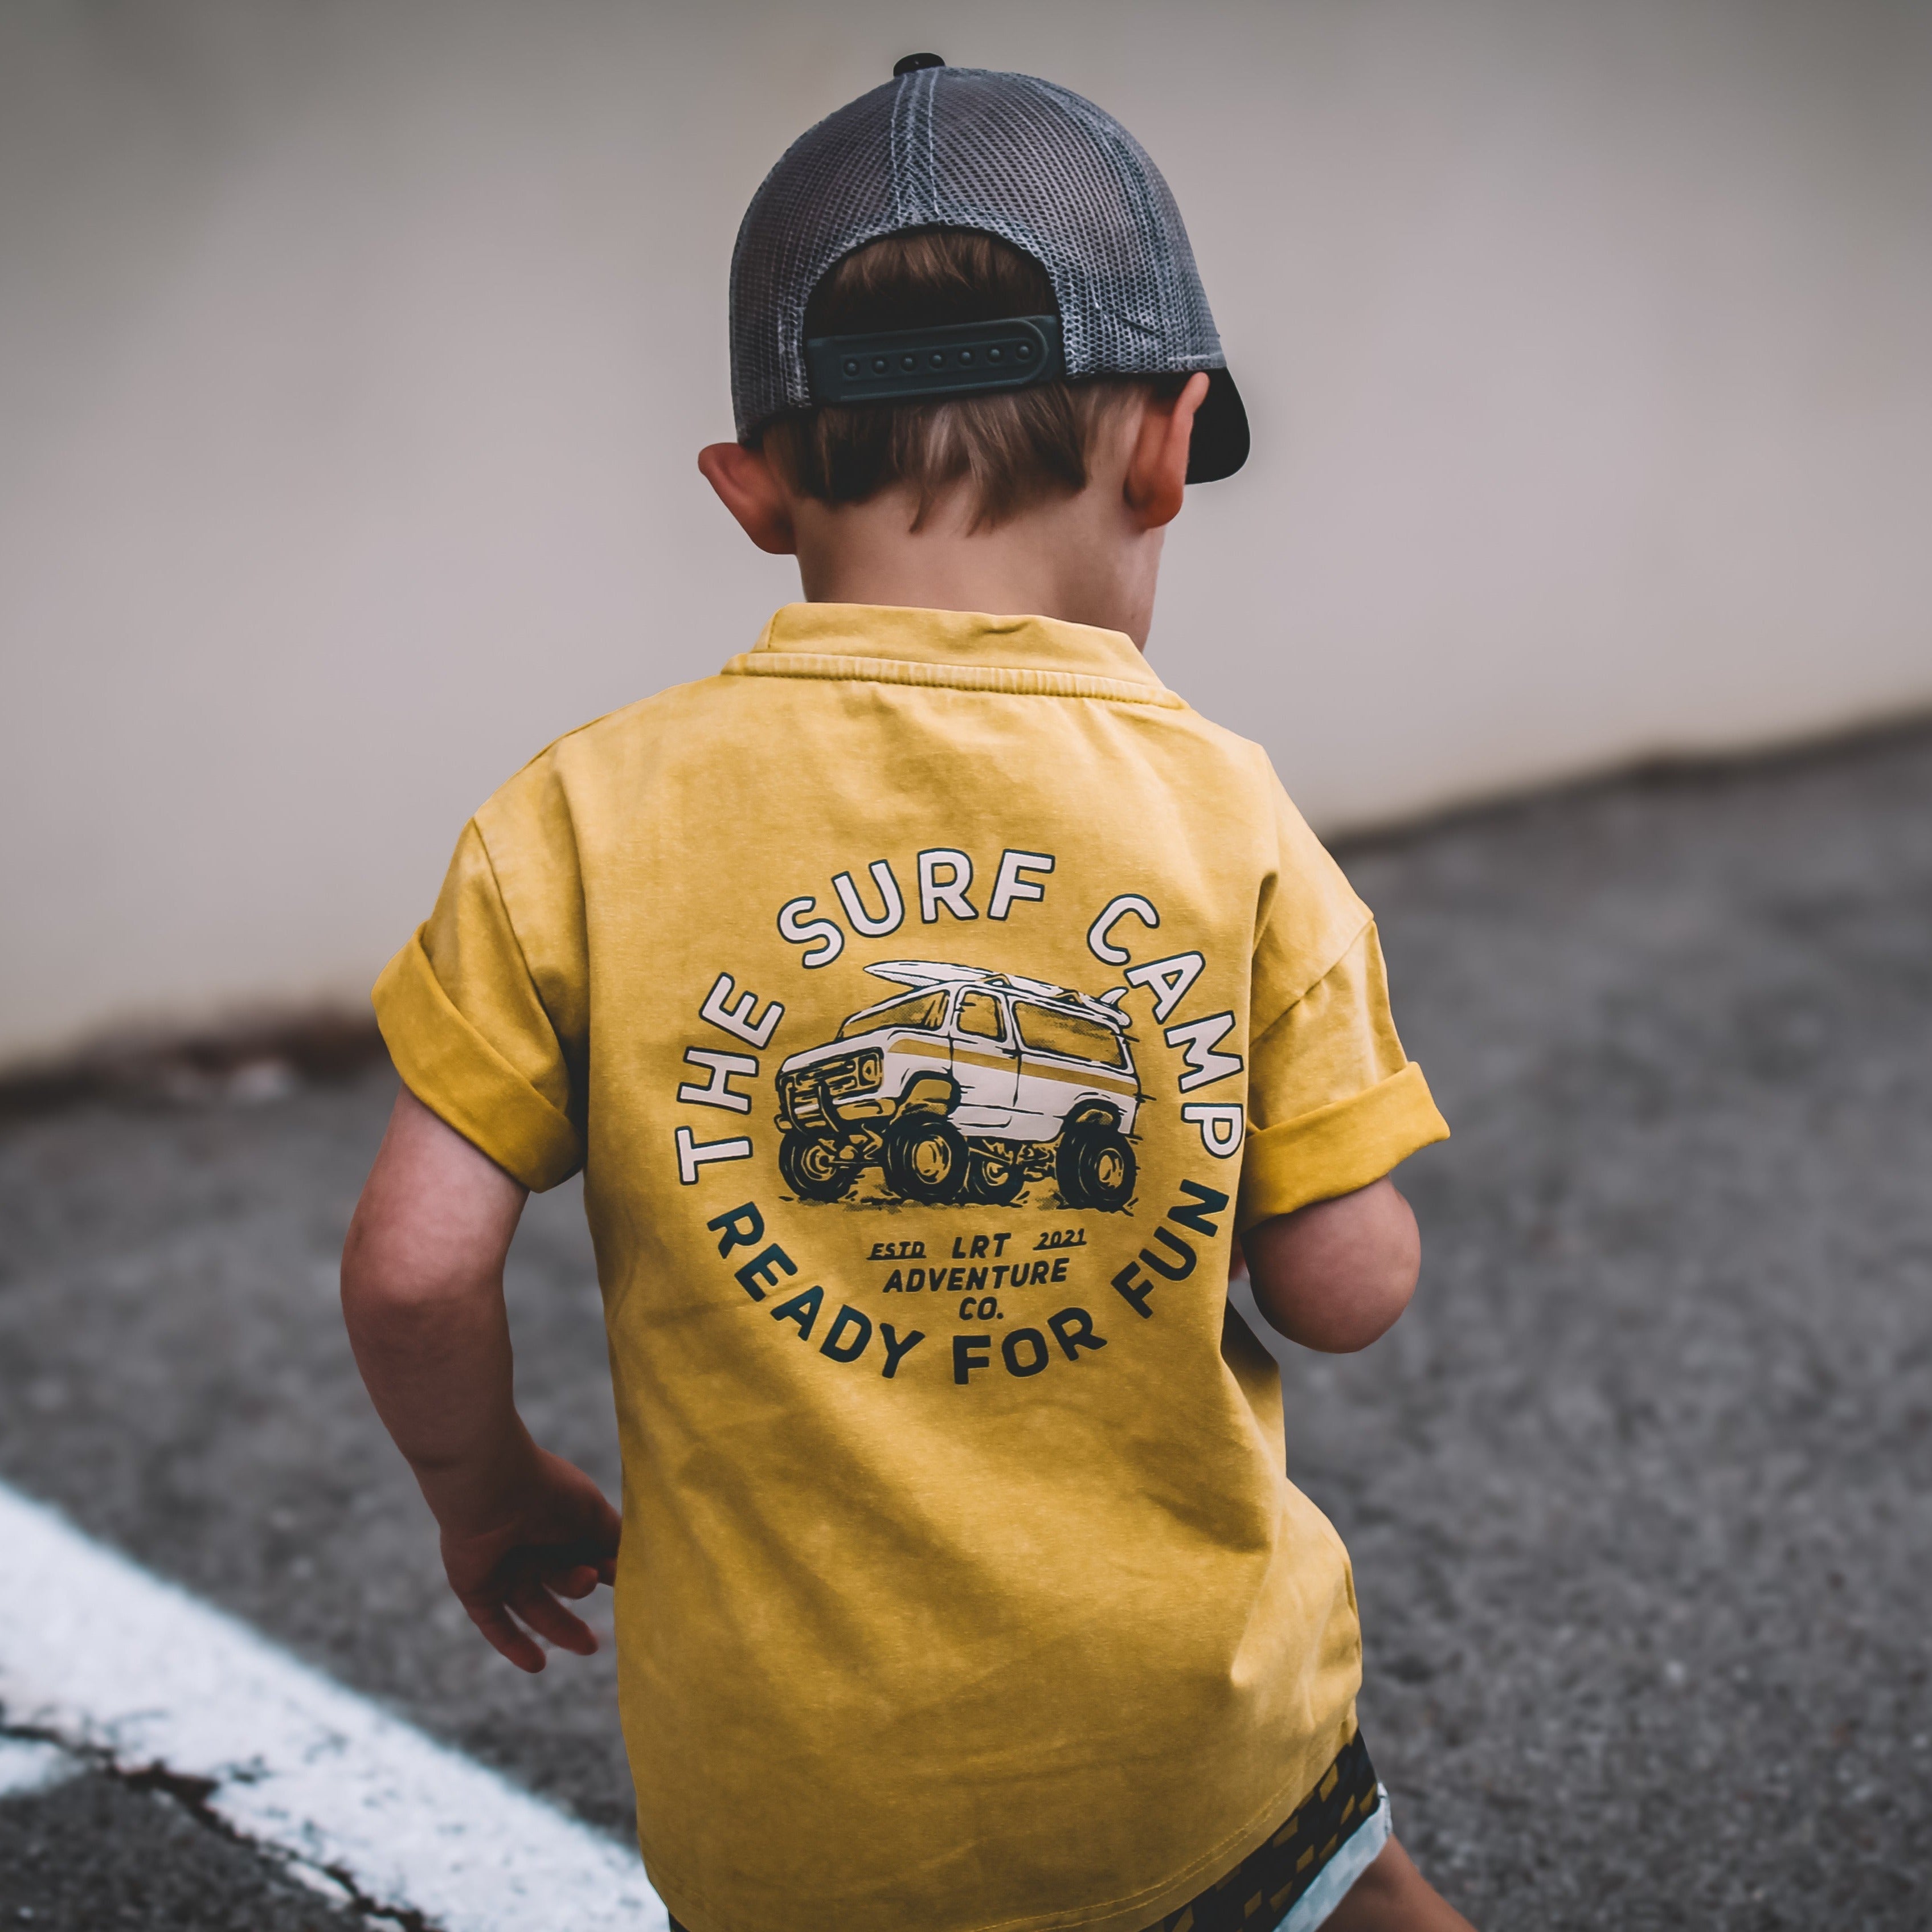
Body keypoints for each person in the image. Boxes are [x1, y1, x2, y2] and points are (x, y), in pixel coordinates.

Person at [341, 55, 1474, 1932]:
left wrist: (490, 1489)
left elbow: (411, 1266)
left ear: (754, 487)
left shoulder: (581, 813)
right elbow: (1344, 1291)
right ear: (1169, 445)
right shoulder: (1227, 809)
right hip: (1190, 1742)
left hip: (784, 1810)